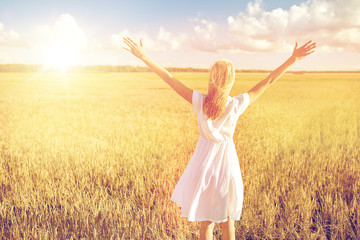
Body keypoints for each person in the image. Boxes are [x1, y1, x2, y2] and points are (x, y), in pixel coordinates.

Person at [123, 37, 316, 240]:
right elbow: (269, 80)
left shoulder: (199, 101)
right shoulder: (236, 104)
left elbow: (169, 78)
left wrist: (144, 57)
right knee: (226, 221)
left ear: (211, 79)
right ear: (230, 81)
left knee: (206, 223)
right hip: (226, 165)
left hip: (203, 164)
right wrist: (292, 59)